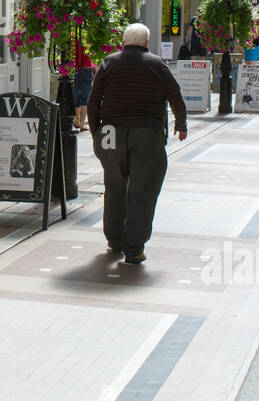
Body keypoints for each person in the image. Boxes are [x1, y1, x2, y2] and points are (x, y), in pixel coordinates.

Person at [87, 22, 188, 265]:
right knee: (142, 189)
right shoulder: (156, 64)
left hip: (110, 131)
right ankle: (134, 248)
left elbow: (93, 101)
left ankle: (114, 240)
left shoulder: (108, 62)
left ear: (124, 41)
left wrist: (96, 133)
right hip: (146, 132)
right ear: (146, 42)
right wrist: (181, 125)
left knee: (114, 186)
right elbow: (176, 95)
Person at [72, 47, 95, 131]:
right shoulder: (89, 40)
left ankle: (77, 120)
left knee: (77, 97)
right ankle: (81, 123)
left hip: (77, 69)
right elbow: (92, 56)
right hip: (87, 69)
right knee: (85, 98)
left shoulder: (74, 38)